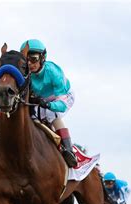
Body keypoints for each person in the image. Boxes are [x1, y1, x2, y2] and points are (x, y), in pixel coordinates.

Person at [20, 39, 77, 168]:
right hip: (43, 99)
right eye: (26, 59)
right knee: (32, 117)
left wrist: (48, 105)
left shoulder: (53, 72)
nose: (30, 64)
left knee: (51, 114)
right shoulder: (25, 72)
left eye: (33, 59)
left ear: (42, 58)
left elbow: (61, 105)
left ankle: (68, 150)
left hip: (63, 96)